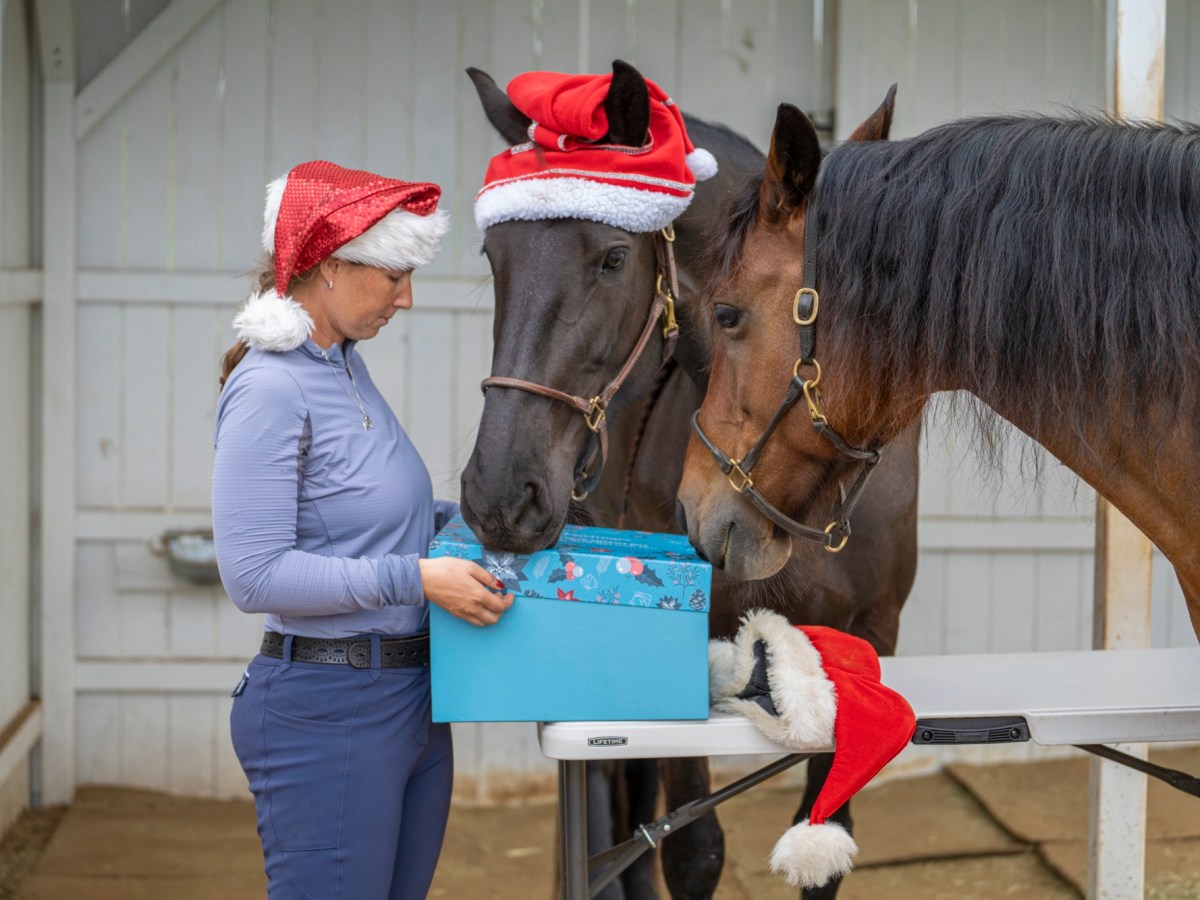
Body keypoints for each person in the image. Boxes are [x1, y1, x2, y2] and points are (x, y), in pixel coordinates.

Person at [213, 160, 514, 900]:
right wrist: (416, 577)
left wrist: (478, 526)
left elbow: (378, 519)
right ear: (331, 266)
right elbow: (253, 575)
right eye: (394, 276)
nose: (406, 298)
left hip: (409, 696)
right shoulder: (271, 386)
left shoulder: (342, 365)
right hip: (329, 708)